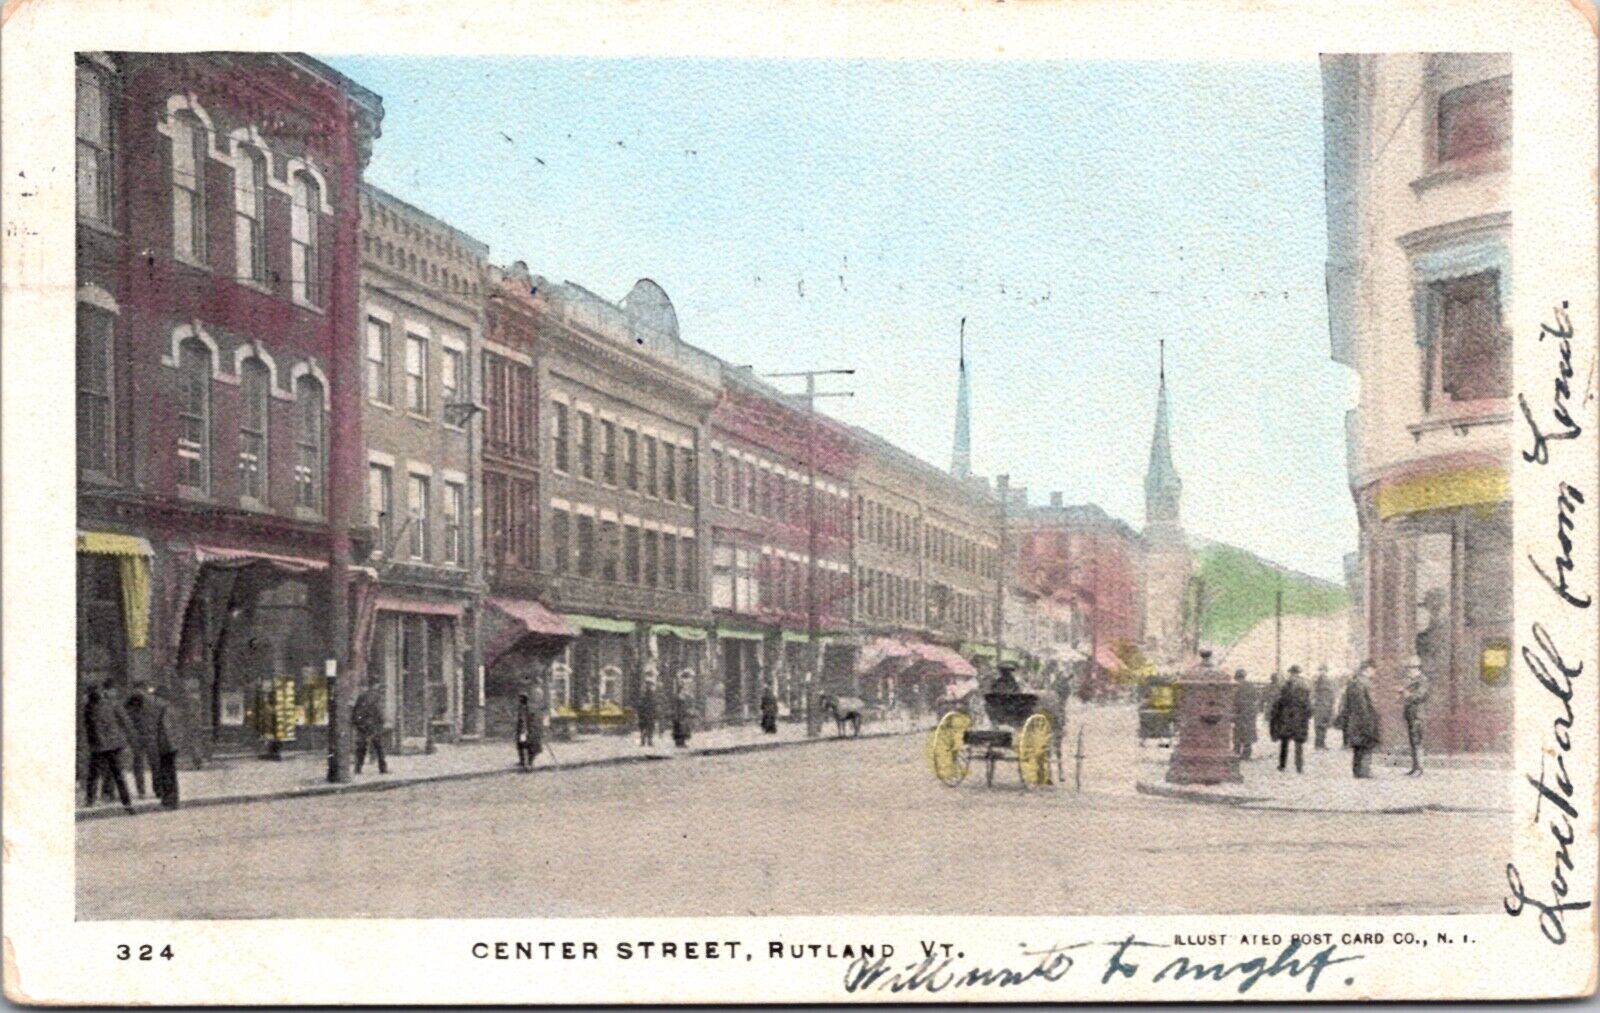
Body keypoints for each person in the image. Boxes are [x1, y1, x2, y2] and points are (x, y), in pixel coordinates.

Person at [83, 684, 136, 813]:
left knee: (93, 775)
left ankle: (90, 800)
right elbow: (126, 721)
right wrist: (128, 738)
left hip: (98, 746)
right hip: (113, 745)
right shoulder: (112, 704)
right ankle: (127, 803)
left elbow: (88, 728)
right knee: (118, 775)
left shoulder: (88, 708)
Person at [126, 689, 182, 809]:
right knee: (168, 772)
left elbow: (164, 730)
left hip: (165, 745)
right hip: (169, 744)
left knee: (166, 772)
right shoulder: (165, 707)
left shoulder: (159, 710)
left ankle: (169, 801)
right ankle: (169, 800)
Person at [1269, 665, 1313, 774]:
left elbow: (1279, 701)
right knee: (1298, 742)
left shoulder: (1286, 685)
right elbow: (1308, 704)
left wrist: (1276, 715)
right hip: (1299, 718)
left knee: (1285, 742)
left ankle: (1282, 765)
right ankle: (1299, 766)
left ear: (1292, 673)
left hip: (1287, 717)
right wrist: (1307, 715)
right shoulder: (1305, 685)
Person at [1344, 662, 1382, 778]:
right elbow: (1370, 703)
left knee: (1357, 746)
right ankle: (1365, 771)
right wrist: (1374, 716)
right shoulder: (1366, 683)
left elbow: (1347, 703)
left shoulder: (1352, 682)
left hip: (1354, 719)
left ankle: (1356, 771)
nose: (1374, 673)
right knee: (1367, 745)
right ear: (1367, 669)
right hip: (1366, 719)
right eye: (1373, 670)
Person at [1401, 656, 1430, 776]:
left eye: (1411, 668)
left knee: (1417, 741)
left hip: (1418, 714)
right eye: (1408, 668)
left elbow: (1420, 695)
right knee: (1413, 741)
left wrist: (1407, 694)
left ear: (1416, 668)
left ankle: (1419, 769)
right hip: (1411, 714)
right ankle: (1415, 767)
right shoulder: (1411, 680)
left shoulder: (1422, 680)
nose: (1408, 671)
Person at [351, 682, 388, 775]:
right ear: (376, 685)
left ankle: (358, 768)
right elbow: (379, 711)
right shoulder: (377, 697)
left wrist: (358, 724)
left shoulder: (362, 696)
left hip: (362, 725)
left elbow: (355, 711)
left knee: (361, 747)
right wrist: (382, 722)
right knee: (379, 747)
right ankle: (382, 768)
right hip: (374, 725)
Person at [1231, 669, 1258, 759]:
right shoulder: (1251, 685)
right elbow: (1256, 697)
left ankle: (1237, 750)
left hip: (1240, 712)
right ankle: (1246, 752)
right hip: (1249, 712)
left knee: (1238, 731)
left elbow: (1234, 700)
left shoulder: (1236, 686)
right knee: (1248, 732)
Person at [514, 692, 542, 769]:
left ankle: (530, 762)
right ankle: (522, 762)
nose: (520, 700)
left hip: (529, 731)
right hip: (522, 731)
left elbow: (534, 720)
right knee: (521, 746)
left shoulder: (530, 709)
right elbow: (520, 720)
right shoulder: (520, 708)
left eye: (522, 698)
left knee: (531, 746)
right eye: (520, 698)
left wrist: (532, 729)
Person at [1311, 665, 1336, 750]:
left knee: (1323, 725)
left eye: (1324, 670)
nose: (1322, 672)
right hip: (1320, 706)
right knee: (1320, 725)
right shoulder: (1317, 681)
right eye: (1321, 670)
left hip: (1325, 706)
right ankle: (1319, 744)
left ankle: (1320, 744)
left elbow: (1332, 695)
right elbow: (1313, 694)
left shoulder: (1325, 681)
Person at [671, 677, 694, 748]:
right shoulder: (680, 697)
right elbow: (680, 707)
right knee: (680, 728)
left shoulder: (681, 696)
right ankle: (680, 742)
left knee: (681, 729)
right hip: (680, 715)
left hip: (681, 715)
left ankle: (680, 742)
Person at [637, 678, 658, 747]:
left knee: (647, 728)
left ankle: (647, 741)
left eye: (650, 685)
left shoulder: (649, 694)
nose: (650, 687)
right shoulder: (649, 695)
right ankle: (646, 742)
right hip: (647, 714)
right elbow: (641, 704)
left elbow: (654, 704)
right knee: (646, 728)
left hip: (647, 714)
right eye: (649, 685)